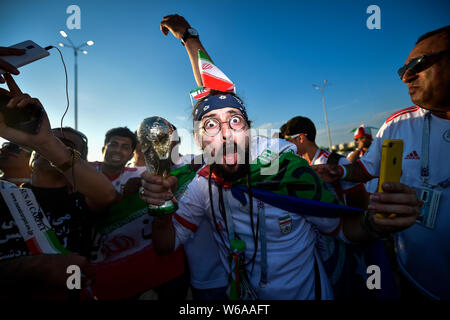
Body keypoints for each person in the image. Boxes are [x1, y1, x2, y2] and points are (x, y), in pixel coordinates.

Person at [140, 14, 421, 300]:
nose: (225, 135)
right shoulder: (203, 183)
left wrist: (375, 223)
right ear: (199, 138)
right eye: (210, 126)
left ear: (249, 131)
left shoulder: (285, 168)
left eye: (235, 122)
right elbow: (167, 244)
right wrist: (161, 211)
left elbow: (341, 228)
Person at [313, 25, 450, 300]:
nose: (407, 76)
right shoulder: (399, 124)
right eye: (403, 70)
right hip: (413, 277)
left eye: (419, 64)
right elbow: (365, 169)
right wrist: (338, 170)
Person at [0, 73, 117, 298]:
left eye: (67, 147)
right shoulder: (4, 194)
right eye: (49, 140)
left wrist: (47, 143)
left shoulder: (81, 201)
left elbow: (107, 196)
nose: (49, 148)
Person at [282, 116, 368, 208]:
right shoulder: (297, 163)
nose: (286, 145)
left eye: (288, 141)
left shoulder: (337, 161)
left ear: (301, 138)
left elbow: (360, 198)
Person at [91, 127, 145, 197]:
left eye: (125, 147)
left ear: (131, 156)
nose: (118, 150)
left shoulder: (137, 176)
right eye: (113, 145)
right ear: (103, 150)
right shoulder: (85, 169)